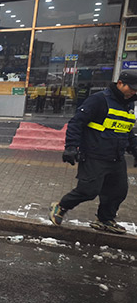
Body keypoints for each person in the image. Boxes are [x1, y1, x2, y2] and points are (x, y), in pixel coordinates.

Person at [49, 70, 137, 234]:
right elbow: (76, 122)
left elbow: (127, 130)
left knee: (118, 191)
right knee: (89, 191)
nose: (134, 91)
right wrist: (71, 147)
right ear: (120, 83)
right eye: (131, 87)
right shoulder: (99, 100)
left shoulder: (129, 104)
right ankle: (61, 207)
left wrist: (135, 149)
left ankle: (105, 220)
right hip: (95, 155)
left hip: (116, 157)